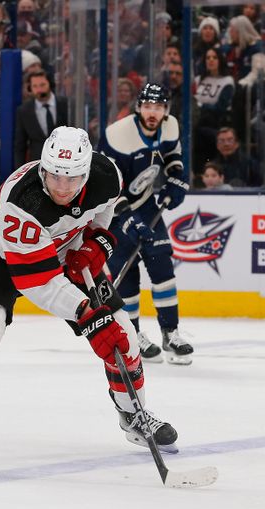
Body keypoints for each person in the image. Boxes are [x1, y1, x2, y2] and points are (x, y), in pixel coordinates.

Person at [0, 126, 178, 468]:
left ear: (86, 172)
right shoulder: (22, 202)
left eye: (72, 179)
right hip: (4, 257)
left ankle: (133, 414)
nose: (61, 187)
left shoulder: (107, 174)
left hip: (63, 247)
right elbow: (37, 283)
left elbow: (103, 210)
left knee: (123, 334)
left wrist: (96, 242)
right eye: (54, 176)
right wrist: (88, 315)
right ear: (42, 167)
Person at [99, 83, 193, 364]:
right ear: (139, 107)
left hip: (146, 202)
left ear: (166, 110)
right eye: (148, 106)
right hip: (113, 210)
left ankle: (170, 333)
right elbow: (105, 186)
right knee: (127, 274)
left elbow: (173, 155)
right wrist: (127, 219)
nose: (153, 112)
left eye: (159, 107)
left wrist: (176, 177)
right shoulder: (117, 136)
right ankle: (133, 334)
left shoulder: (169, 126)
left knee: (161, 259)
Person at [14, 71, 68, 165]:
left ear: (50, 84)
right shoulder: (24, 111)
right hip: (38, 164)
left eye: (42, 85)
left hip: (65, 161)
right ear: (30, 88)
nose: (39, 90)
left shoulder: (66, 104)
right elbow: (20, 145)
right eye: (35, 86)